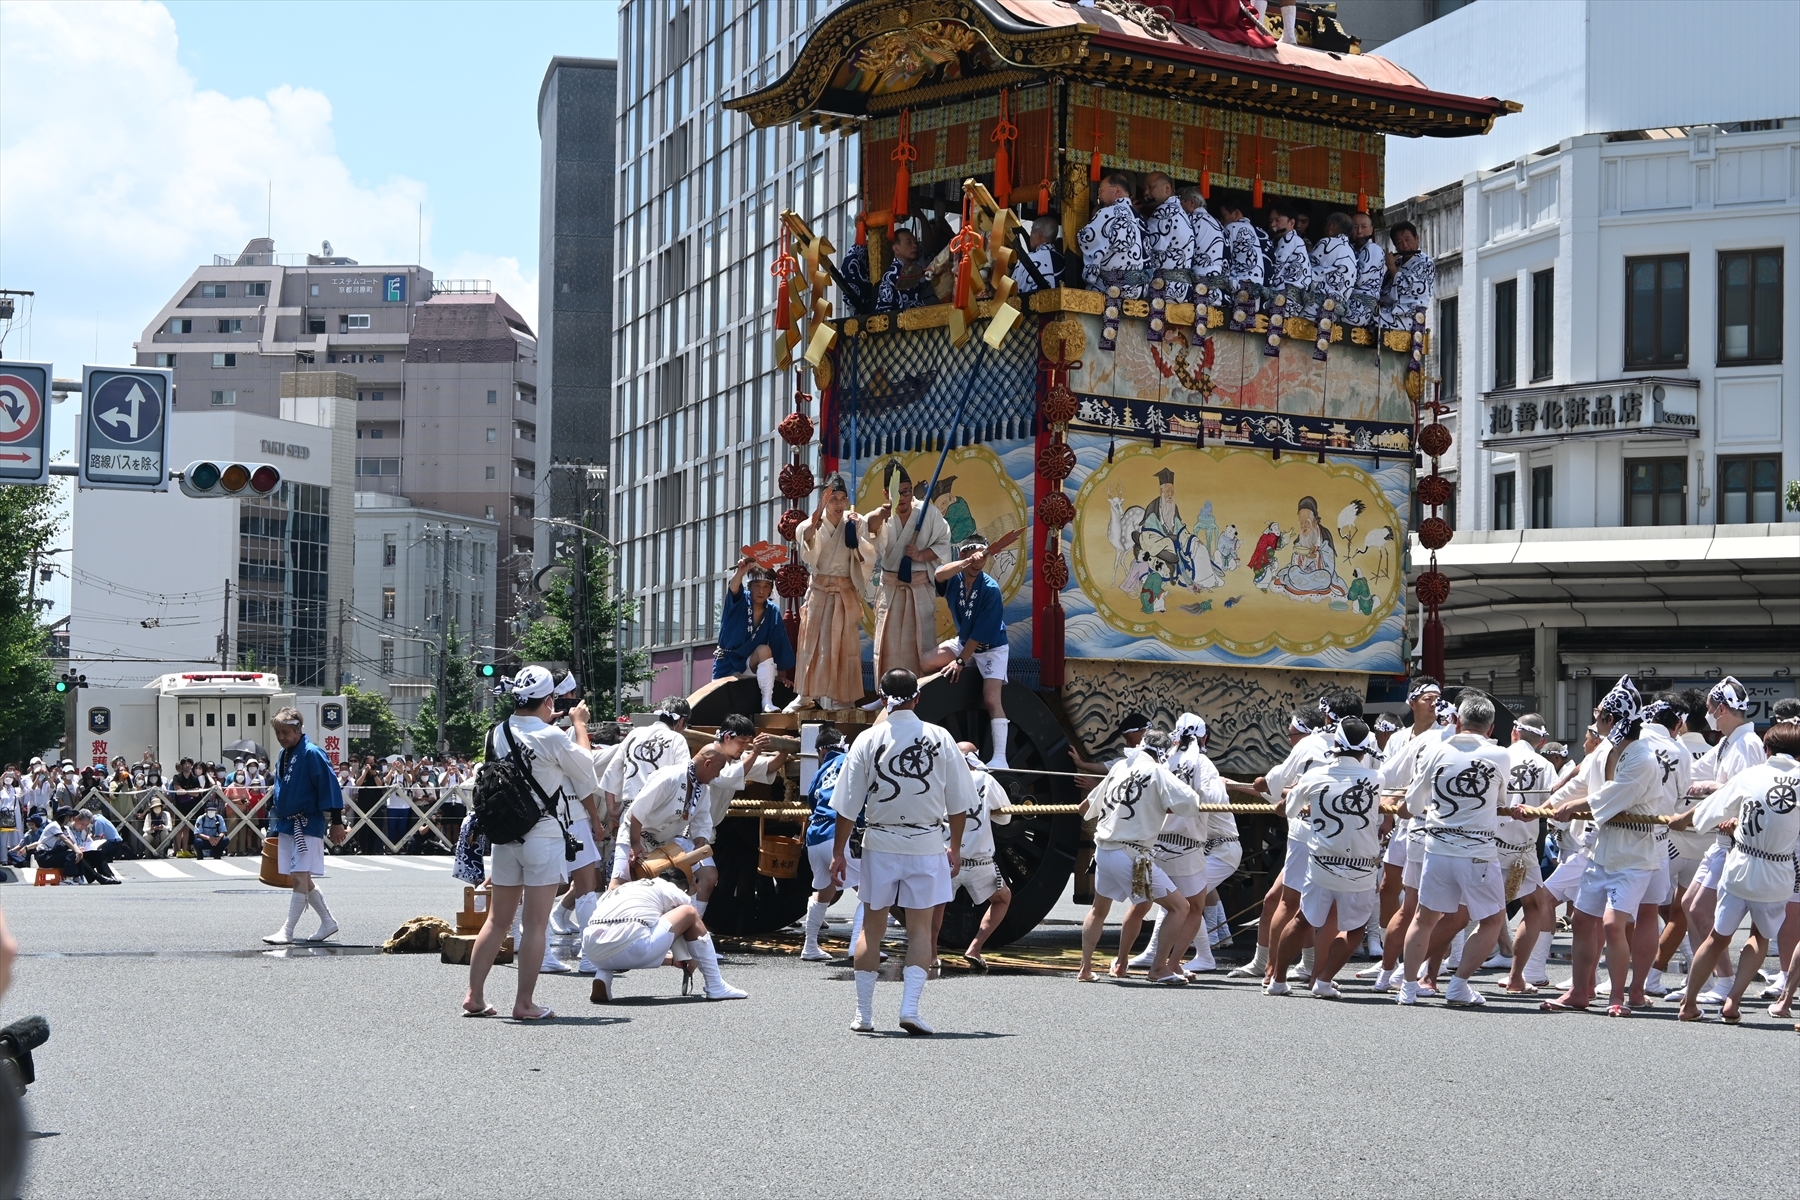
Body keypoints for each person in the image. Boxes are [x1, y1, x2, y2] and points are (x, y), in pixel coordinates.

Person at [828, 669, 975, 1035]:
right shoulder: (940, 737)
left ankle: (864, 1013)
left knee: (873, 927)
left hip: (880, 841)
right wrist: (954, 846)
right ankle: (910, 1007)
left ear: (882, 696)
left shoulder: (867, 739)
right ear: (917, 697)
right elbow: (959, 804)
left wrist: (838, 852)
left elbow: (847, 806)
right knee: (921, 930)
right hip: (926, 843)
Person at [463, 667, 600, 1021]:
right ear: (549, 700)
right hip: (542, 834)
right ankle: (524, 1003)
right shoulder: (553, 737)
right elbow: (586, 770)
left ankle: (474, 995)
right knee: (536, 924)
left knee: (497, 920)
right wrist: (580, 724)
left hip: (506, 834)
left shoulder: (497, 731)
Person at [1541, 683, 1663, 1015]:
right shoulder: (1604, 749)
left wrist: (1573, 805)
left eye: (1599, 716)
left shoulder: (1643, 756)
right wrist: (1546, 807)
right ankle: (1581, 990)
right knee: (1582, 920)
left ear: (1611, 718)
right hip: (1600, 850)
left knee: (1613, 924)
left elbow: (1614, 794)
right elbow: (1579, 784)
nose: (1597, 722)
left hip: (1634, 855)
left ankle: (1617, 998)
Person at [1673, 721, 1800, 1022]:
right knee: (1759, 936)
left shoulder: (1751, 775)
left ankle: (1688, 1004)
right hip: (1777, 873)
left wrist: (1682, 820)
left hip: (1740, 865)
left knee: (1718, 937)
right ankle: (1733, 1001)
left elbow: (1712, 808)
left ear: (1767, 749)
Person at [1393, 694, 1514, 1008]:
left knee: (1423, 918)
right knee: (1491, 920)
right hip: (1477, 851)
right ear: (1490, 729)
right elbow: (1503, 802)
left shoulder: (1435, 750)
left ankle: (1407, 988)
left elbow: (1412, 804)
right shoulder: (1500, 754)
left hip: (1437, 847)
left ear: (1458, 721)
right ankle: (1458, 984)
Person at [1270, 718, 1384, 998]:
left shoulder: (1314, 777)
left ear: (1335, 745)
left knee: (1302, 920)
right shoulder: (1375, 779)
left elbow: (1290, 810)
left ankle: (1278, 980)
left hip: (1322, 862)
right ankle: (1323, 979)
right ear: (1365, 749)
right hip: (1360, 865)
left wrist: (1292, 801)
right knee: (1356, 927)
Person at [1076, 730, 1201, 984]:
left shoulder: (1121, 766)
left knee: (1102, 910)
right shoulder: (1158, 772)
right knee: (1180, 907)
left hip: (1104, 852)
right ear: (1164, 754)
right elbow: (1191, 802)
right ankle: (1158, 969)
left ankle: (1088, 968)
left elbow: (1085, 808)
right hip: (1133, 857)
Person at [1681, 675, 1767, 1004]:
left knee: (1702, 910)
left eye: (1709, 708)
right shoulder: (1729, 741)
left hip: (1737, 842)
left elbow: (1750, 790)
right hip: (1721, 840)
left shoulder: (1747, 743)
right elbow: (1693, 772)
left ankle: (1725, 981)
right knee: (1691, 906)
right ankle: (1714, 979)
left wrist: (1710, 789)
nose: (1707, 714)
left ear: (1721, 708)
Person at [1129, 713, 1232, 974]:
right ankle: (1171, 963)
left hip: (1158, 846)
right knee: (1191, 907)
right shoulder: (1202, 763)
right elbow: (1216, 798)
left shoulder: (1165, 762)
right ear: (1204, 736)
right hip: (1188, 848)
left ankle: (1129, 960)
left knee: (1149, 903)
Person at [918, 536, 1011, 770]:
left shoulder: (990, 590)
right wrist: (966, 562)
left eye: (981, 556)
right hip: (963, 642)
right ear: (962, 556)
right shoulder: (955, 578)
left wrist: (960, 661)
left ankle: (1001, 757)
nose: (977, 563)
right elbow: (939, 574)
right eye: (972, 556)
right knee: (926, 662)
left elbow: (979, 635)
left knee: (991, 699)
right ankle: (960, 679)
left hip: (991, 648)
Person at [581, 876, 746, 1003]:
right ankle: (715, 985)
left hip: (593, 952)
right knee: (688, 913)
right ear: (680, 886)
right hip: (632, 945)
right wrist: (692, 956)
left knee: (624, 936)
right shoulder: (664, 886)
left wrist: (673, 959)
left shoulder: (622, 890)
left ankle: (603, 976)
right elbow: (689, 912)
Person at [263, 707, 350, 945]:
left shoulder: (312, 753)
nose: (281, 737)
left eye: (285, 732)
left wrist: (337, 822)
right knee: (300, 877)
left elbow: (329, 786)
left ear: (298, 729)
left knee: (300, 876)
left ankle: (287, 930)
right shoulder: (284, 754)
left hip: (307, 822)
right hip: (288, 823)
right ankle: (328, 922)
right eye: (278, 733)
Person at [786, 473, 869, 712]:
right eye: (834, 499)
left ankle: (844, 698)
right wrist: (813, 527)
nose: (839, 504)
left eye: (843, 499)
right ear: (824, 501)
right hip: (820, 591)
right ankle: (805, 695)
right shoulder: (808, 524)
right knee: (810, 644)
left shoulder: (854, 521)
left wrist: (856, 528)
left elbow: (866, 550)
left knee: (846, 647)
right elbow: (807, 550)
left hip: (843, 591)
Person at [865, 460, 953, 681]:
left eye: (907, 492)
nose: (903, 498)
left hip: (918, 587)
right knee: (888, 642)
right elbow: (867, 531)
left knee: (920, 642)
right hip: (891, 588)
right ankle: (886, 692)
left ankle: (920, 690)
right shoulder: (884, 515)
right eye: (897, 493)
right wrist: (880, 515)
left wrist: (921, 555)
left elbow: (944, 541)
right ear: (887, 493)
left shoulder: (928, 512)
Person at [932, 743, 1013, 969]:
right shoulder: (985, 780)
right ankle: (975, 949)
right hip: (979, 862)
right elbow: (1005, 818)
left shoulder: (939, 779)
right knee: (1002, 898)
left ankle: (930, 954)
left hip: (947, 858)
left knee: (936, 906)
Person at [598, 699, 693, 889]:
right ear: (681, 721)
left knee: (620, 880)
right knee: (655, 880)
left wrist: (612, 810)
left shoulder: (634, 734)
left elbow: (612, 772)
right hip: (657, 817)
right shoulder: (677, 739)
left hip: (630, 813)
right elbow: (685, 776)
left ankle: (608, 917)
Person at [1498, 714, 1560, 994]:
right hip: (1523, 847)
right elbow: (1556, 806)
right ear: (1542, 741)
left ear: (1514, 733)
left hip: (1487, 842)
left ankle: (1425, 971)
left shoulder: (1498, 756)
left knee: (1461, 910)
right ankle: (1516, 975)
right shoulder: (1545, 765)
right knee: (1533, 908)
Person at [801, 723, 857, 962]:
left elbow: (812, 802)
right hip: (839, 833)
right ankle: (859, 946)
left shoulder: (819, 772)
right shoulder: (850, 761)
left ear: (821, 752)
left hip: (815, 835)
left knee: (823, 891)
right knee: (870, 890)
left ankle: (810, 946)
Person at [713, 555, 795, 713]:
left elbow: (779, 643)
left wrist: (782, 674)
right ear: (749, 586)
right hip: (727, 662)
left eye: (766, 586)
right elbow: (734, 587)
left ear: (771, 589)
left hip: (752, 663)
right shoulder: (739, 601)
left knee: (765, 649)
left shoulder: (773, 611)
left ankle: (767, 701)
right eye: (757, 585)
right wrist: (740, 572)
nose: (761, 590)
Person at [1078, 171, 1146, 298]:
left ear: (1117, 190)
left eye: (1101, 191)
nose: (1099, 196)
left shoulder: (1108, 213)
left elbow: (1086, 237)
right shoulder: (1140, 218)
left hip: (1114, 287)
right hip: (1140, 290)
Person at [1140, 171, 1195, 304]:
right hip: (1182, 288)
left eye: (1150, 187)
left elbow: (1148, 251)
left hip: (1165, 287)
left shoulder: (1164, 211)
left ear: (1167, 188)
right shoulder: (1178, 210)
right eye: (1144, 188)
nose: (1146, 193)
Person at [1305, 211, 1357, 351]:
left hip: (1316, 306)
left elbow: (1308, 268)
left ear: (1331, 226)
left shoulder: (1327, 242)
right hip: (1335, 312)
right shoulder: (1350, 250)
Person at [1264, 200, 1312, 334]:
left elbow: (1275, 268)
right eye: (1270, 221)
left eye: (1277, 220)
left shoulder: (1290, 240)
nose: (1273, 225)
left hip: (1285, 300)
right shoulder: (1291, 241)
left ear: (1291, 223)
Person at [1378, 220, 1435, 333]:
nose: (1404, 245)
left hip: (1407, 317)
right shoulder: (1397, 262)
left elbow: (1411, 289)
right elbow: (1383, 291)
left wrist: (1392, 269)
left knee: (1371, 318)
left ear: (1417, 238)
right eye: (1399, 242)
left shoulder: (1426, 263)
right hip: (1388, 311)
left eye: (1407, 240)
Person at [1179, 186, 1225, 320]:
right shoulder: (1218, 223)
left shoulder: (1190, 221)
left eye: (1181, 202)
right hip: (1217, 291)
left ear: (1191, 203)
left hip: (1197, 288)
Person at [1219, 199, 1263, 331]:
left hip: (1239, 288)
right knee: (1244, 338)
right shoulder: (1259, 232)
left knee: (1233, 337)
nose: (1222, 220)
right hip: (1255, 290)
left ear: (1236, 213)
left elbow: (1225, 258)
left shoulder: (1232, 227)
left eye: (1224, 215)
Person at [875, 226, 934, 311]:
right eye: (909, 242)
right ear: (896, 249)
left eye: (915, 242)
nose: (914, 246)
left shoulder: (913, 270)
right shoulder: (892, 274)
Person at [1346, 210, 1385, 327]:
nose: (1359, 231)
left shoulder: (1373, 249)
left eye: (1364, 227)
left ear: (1371, 229)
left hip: (1361, 307)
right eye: (1355, 227)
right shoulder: (1353, 249)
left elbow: (1358, 279)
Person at [1011, 214, 1062, 295]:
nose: (1030, 236)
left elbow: (1012, 289)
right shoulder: (1064, 261)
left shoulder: (1027, 260)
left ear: (1038, 234)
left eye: (1031, 232)